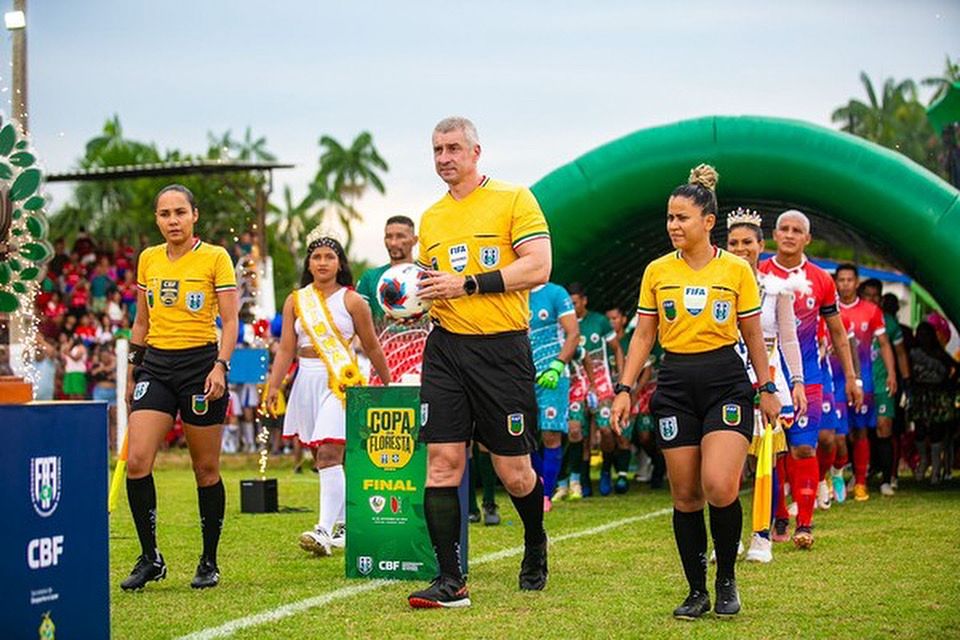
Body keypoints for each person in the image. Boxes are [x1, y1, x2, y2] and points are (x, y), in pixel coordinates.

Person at [611, 164, 780, 620]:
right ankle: (696, 591)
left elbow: (750, 334)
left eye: (682, 217)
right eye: (669, 217)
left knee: (719, 485)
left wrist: (767, 388)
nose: (673, 226)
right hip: (675, 383)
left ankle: (726, 579)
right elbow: (644, 336)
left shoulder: (736, 271)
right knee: (685, 496)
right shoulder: (656, 272)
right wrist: (625, 388)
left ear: (708, 222)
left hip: (725, 380)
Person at [408, 116, 551, 608]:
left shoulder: (515, 199)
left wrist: (468, 283)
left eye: (452, 148)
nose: (444, 157)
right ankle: (451, 581)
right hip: (446, 347)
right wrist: (412, 296)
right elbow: (431, 281)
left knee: (514, 472)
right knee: (443, 463)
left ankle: (535, 541)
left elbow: (539, 266)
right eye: (436, 150)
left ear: (475, 152)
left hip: (502, 348)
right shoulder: (430, 218)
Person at [121, 184, 239, 591]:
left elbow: (230, 322)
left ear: (194, 216)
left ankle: (209, 560)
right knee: (137, 461)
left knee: (205, 469)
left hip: (200, 367)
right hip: (156, 365)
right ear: (157, 219)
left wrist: (221, 367)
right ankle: (150, 557)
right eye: (164, 214)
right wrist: (131, 372)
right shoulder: (149, 259)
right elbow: (141, 322)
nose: (172, 220)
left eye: (179, 213)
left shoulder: (215, 257)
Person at [266, 232, 391, 556]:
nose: (322, 263)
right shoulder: (296, 300)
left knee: (329, 454)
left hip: (340, 382)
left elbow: (373, 345)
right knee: (318, 455)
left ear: (340, 263)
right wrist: (273, 385)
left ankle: (323, 530)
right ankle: (349, 523)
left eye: (329, 257)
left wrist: (387, 386)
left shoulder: (352, 301)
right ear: (309, 263)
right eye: (317, 257)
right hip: (305, 380)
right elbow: (285, 351)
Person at [758, 210, 863, 540]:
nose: (789, 234)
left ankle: (804, 522)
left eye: (796, 230)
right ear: (775, 234)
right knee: (772, 450)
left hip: (810, 375)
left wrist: (850, 377)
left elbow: (837, 332)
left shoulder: (821, 279)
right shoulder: (758, 273)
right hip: (770, 375)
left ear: (807, 239)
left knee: (804, 448)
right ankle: (778, 516)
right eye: (784, 229)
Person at [725, 208, 806, 558]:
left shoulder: (777, 289)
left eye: (747, 242)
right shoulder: (718, 285)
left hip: (767, 377)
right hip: (726, 375)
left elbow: (789, 339)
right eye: (733, 243)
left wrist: (798, 381)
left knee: (765, 460)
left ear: (761, 245)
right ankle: (728, 537)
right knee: (729, 459)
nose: (741, 248)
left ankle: (761, 534)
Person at [834, 264, 897, 501]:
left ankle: (861, 482)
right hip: (835, 379)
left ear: (857, 282)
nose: (846, 284)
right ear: (836, 282)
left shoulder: (871, 310)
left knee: (860, 431)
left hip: (864, 380)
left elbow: (883, 344)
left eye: (850, 280)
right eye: (841, 280)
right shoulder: (829, 308)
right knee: (836, 434)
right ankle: (834, 475)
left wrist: (891, 373)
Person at [567, 283, 625, 497]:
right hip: (575, 385)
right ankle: (582, 479)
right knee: (577, 432)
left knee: (606, 431)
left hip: (601, 386)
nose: (571, 307)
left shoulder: (599, 321)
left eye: (574, 303)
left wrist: (621, 379)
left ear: (584, 301)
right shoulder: (565, 324)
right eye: (568, 303)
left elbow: (617, 348)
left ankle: (606, 470)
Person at [529, 282, 580, 511]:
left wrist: (557, 365)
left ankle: (546, 494)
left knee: (550, 434)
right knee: (520, 434)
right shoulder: (513, 293)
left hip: (552, 376)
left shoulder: (555, 293)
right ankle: (539, 479)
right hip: (522, 377)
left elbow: (573, 333)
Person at [858, 279, 911, 494]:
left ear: (880, 298)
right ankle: (861, 476)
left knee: (884, 427)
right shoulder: (851, 316)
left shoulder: (888, 322)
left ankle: (887, 480)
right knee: (859, 431)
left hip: (882, 383)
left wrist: (904, 380)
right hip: (860, 384)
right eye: (867, 295)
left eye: (875, 295)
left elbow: (899, 353)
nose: (871, 299)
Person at [909, 321, 957, 484]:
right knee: (920, 430)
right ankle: (923, 461)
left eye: (926, 334)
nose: (922, 337)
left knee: (937, 432)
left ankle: (936, 469)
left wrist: (949, 383)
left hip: (937, 395)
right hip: (920, 395)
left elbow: (955, 367)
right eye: (920, 334)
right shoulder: (913, 353)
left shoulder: (939, 354)